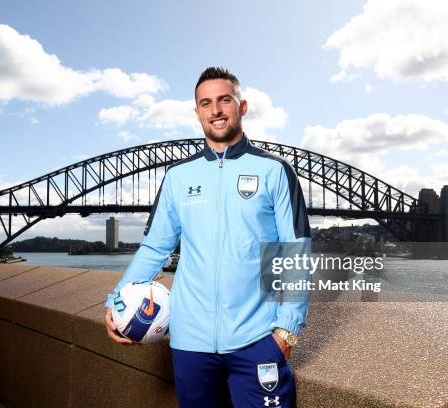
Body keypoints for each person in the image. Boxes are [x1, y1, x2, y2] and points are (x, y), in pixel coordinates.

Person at [103, 67, 311, 408]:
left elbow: (296, 253)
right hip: (190, 343)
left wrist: (286, 330)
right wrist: (115, 302)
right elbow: (155, 247)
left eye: (224, 100)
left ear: (241, 107)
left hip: (259, 339)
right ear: (198, 112)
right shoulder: (177, 177)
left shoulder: (275, 170)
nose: (215, 110)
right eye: (206, 103)